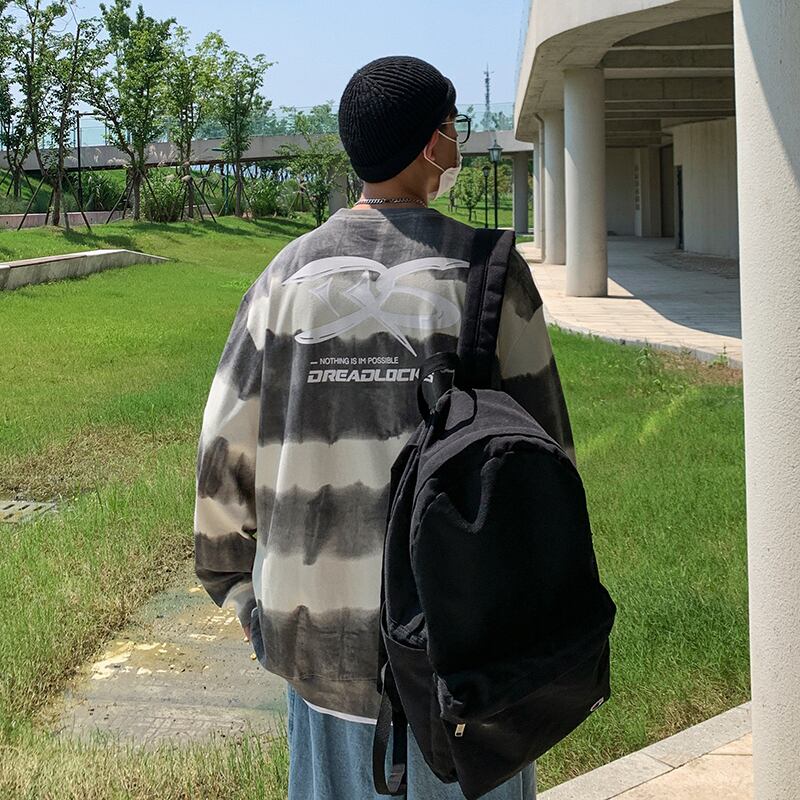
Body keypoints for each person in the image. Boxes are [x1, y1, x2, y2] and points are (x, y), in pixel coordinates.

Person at [194, 55, 576, 799]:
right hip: (467, 658)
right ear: (433, 144)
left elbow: (221, 461)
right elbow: (548, 458)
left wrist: (245, 604)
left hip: (317, 653)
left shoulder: (282, 280)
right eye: (454, 127)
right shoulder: (489, 272)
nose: (457, 141)